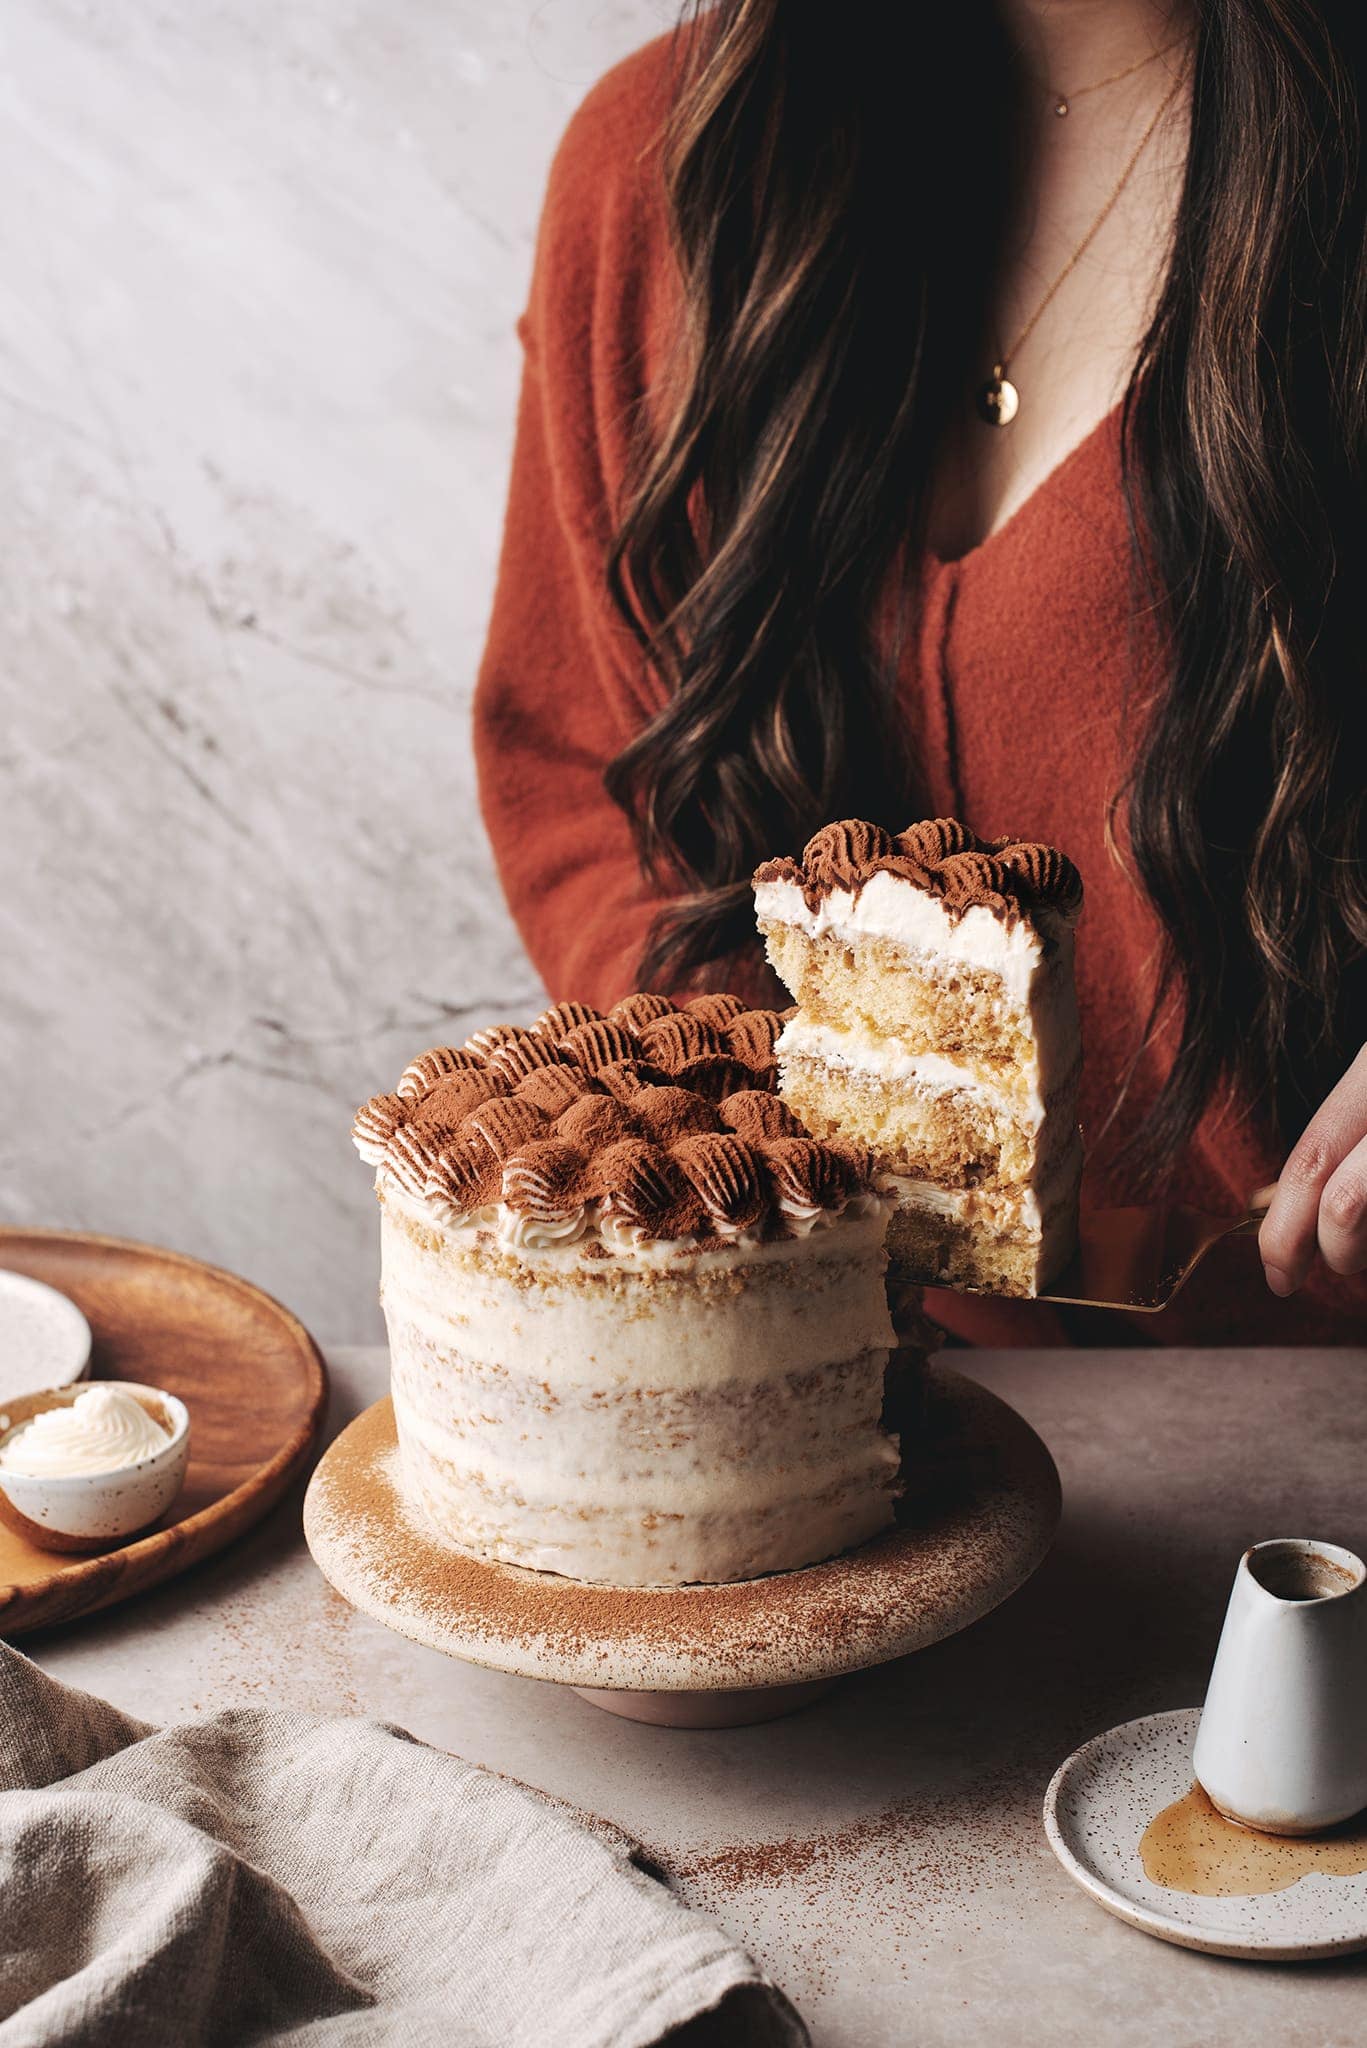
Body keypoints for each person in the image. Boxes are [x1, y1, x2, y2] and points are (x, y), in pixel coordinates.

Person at [473, 0, 1367, 1344]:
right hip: (818, 1389)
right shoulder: (662, 168)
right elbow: (585, 776)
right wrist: (784, 1175)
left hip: (1313, 1440)